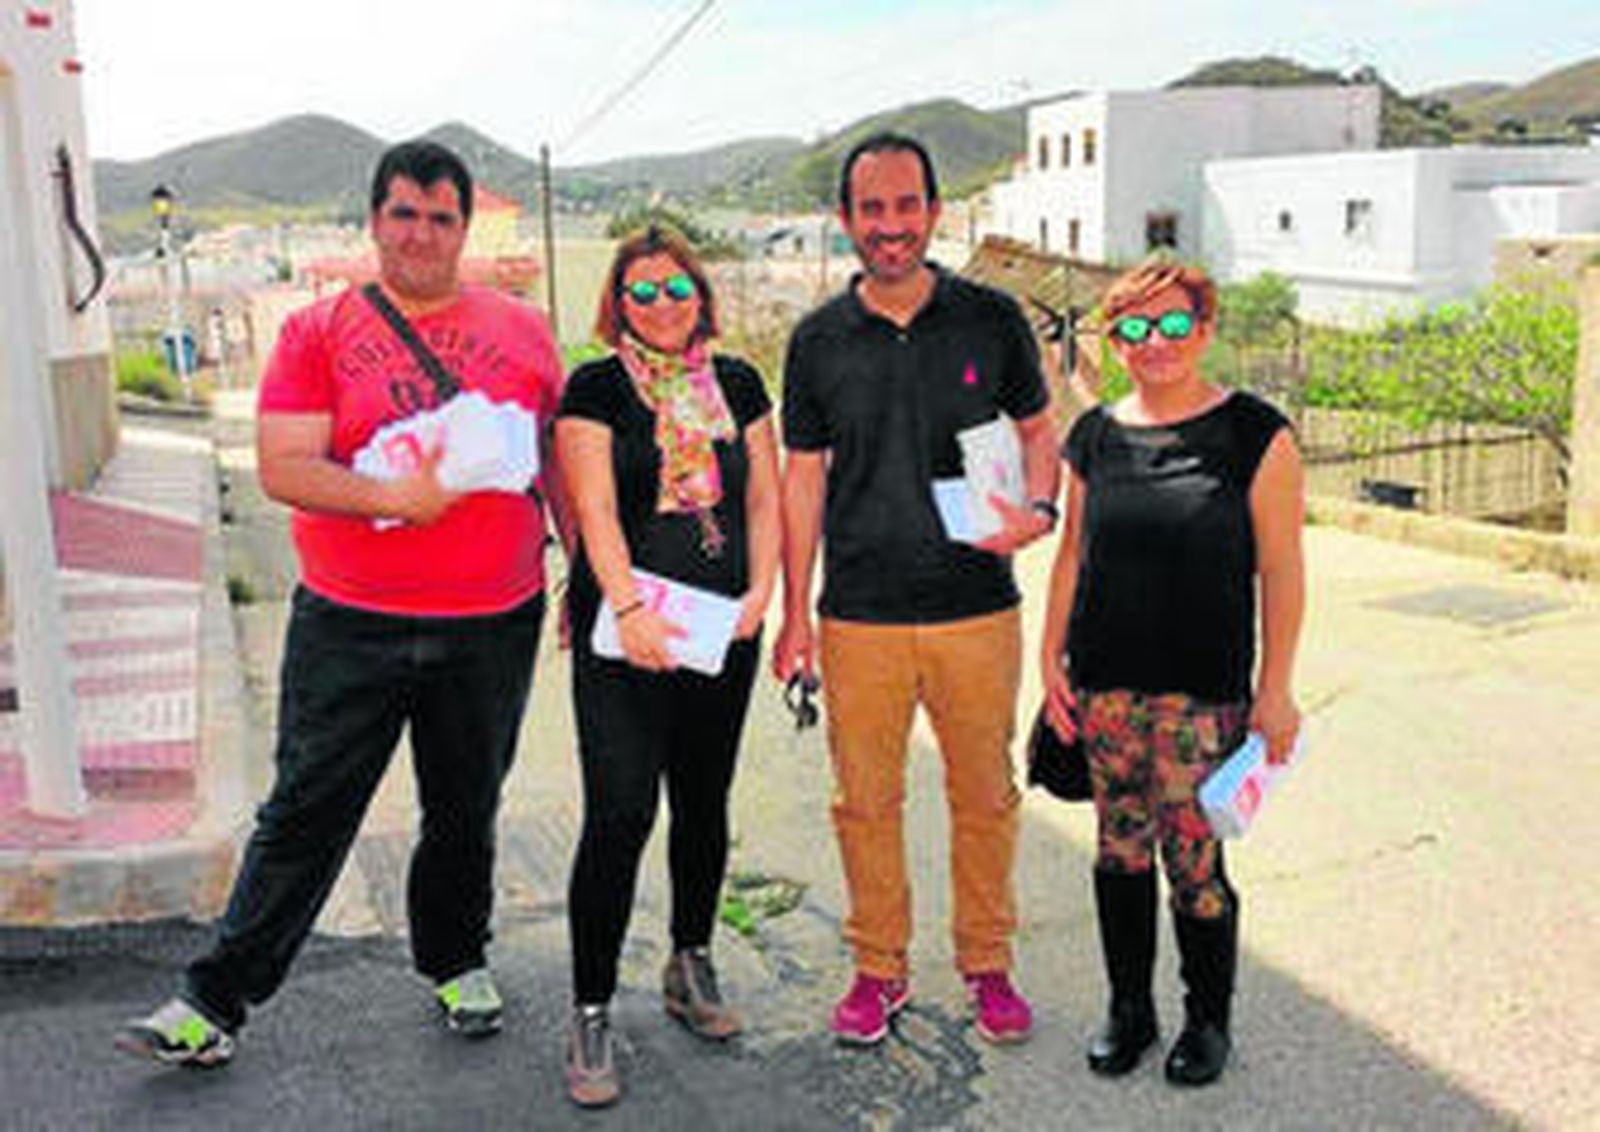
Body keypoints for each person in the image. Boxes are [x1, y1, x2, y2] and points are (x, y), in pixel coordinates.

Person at [116, 140, 568, 1067]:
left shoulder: (524, 330)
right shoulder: (316, 331)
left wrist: (590, 574)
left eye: (442, 217)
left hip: (493, 617)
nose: (422, 234)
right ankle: (214, 1001)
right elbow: (285, 465)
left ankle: (455, 960)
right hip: (350, 620)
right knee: (308, 810)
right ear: (374, 221)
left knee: (464, 806)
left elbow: (557, 460)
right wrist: (394, 500)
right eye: (404, 213)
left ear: (463, 228)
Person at [774, 133, 1060, 1047]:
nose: (889, 227)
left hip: (978, 608)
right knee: (866, 805)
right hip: (858, 615)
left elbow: (1041, 430)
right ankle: (878, 968)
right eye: (871, 210)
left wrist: (1041, 511)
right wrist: (796, 613)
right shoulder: (817, 340)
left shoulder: (991, 319)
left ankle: (988, 964)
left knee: (986, 797)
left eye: (906, 206)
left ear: (933, 212)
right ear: (848, 220)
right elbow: (803, 479)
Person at [1039, 258, 1305, 1087]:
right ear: (1115, 341)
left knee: (1194, 863)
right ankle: (1130, 1011)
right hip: (1106, 685)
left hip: (1204, 694)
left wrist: (1276, 689)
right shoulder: (1094, 435)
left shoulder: (1255, 435)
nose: (1155, 344)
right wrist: (1050, 660)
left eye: (1173, 324)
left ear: (1206, 329)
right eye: (1136, 328)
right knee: (1119, 850)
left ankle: (1207, 1021)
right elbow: (1073, 553)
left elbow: (1284, 570)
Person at [556, 226, 779, 1107]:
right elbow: (595, 507)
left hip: (723, 630)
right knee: (618, 814)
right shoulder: (596, 387)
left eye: (675, 287)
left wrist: (763, 593)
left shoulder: (740, 383)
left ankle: (690, 961)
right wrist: (629, 606)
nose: (661, 304)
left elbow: (762, 495)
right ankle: (589, 1008)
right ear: (618, 302)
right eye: (641, 292)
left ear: (701, 293)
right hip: (628, 635)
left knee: (703, 802)